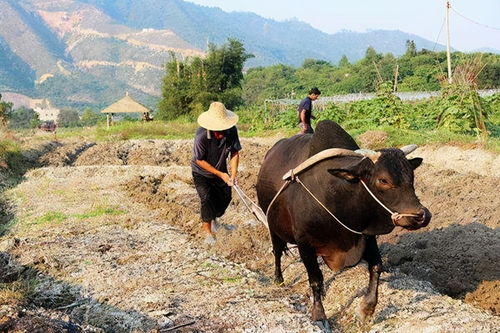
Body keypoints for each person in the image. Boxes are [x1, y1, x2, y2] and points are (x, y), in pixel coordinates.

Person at [191, 102, 241, 244]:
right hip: (201, 172)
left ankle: (214, 219)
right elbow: (199, 160)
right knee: (206, 199)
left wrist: (233, 174)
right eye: (217, 130)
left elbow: (235, 152)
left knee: (225, 197)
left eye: (223, 129)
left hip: (221, 169)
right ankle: (207, 232)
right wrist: (221, 175)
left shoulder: (231, 131)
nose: (220, 133)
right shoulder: (201, 136)